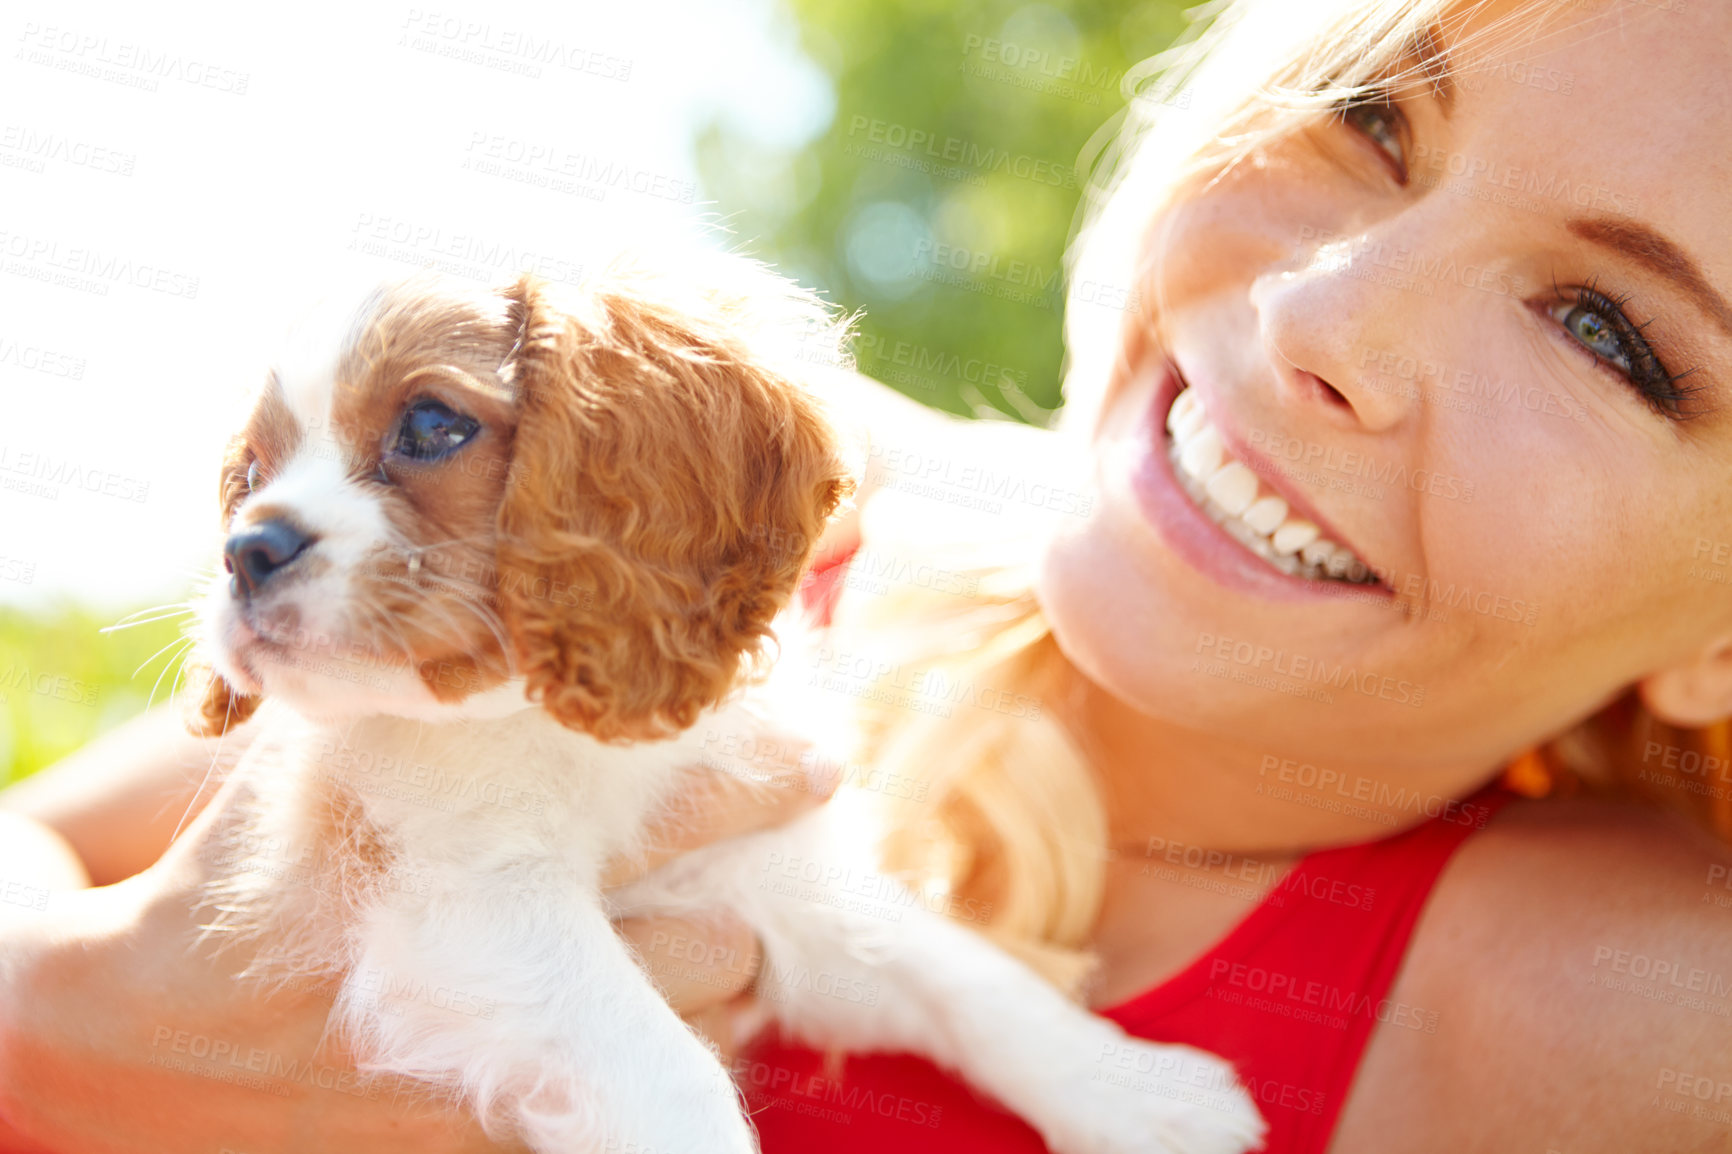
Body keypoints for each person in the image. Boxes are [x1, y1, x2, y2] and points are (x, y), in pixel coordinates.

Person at [4, 0, 1731, 1150]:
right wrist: (57, 1021)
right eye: (1364, 117)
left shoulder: (1627, 1004)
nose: (1318, 323)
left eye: (1609, 334)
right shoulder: (801, 535)